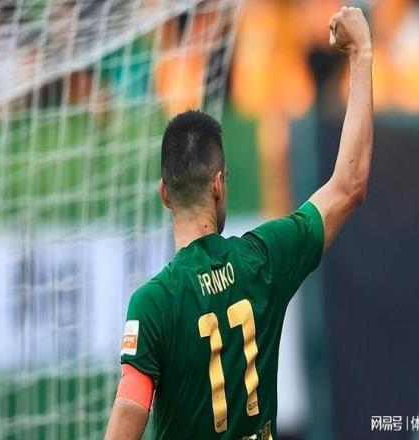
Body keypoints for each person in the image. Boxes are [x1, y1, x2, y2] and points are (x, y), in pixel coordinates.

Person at [105, 6, 373, 439]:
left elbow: (129, 410)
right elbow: (349, 185)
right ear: (218, 185)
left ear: (164, 194)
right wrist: (361, 55)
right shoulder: (264, 259)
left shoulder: (152, 304)